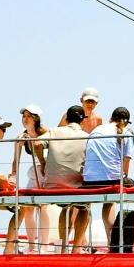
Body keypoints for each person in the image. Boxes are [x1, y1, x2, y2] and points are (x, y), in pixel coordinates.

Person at [83, 106, 134, 252]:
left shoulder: (96, 130)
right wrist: (124, 177)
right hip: (112, 180)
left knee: (104, 201)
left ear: (111, 118)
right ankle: (132, 243)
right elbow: (126, 164)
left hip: (89, 181)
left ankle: (84, 242)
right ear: (126, 122)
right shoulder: (126, 132)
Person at [39, 104, 90, 249]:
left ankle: (62, 247)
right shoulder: (87, 137)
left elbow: (36, 143)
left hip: (52, 185)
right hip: (77, 186)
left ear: (66, 118)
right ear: (83, 121)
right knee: (84, 207)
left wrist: (42, 163)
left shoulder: (54, 131)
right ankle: (77, 248)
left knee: (65, 207)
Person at [9, 105, 50, 252]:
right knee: (27, 208)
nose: (25, 119)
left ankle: (44, 245)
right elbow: (16, 159)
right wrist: (13, 175)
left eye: (28, 116)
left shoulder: (46, 133)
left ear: (36, 118)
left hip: (47, 171)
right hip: (35, 172)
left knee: (43, 207)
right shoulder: (22, 136)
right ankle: (32, 245)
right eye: (24, 116)